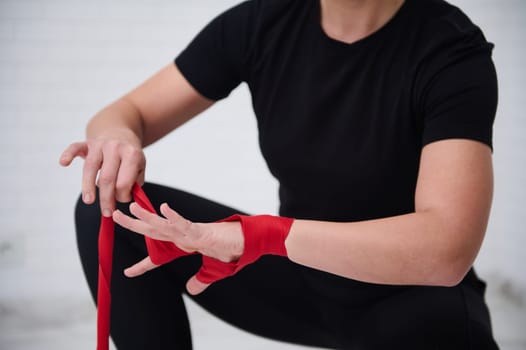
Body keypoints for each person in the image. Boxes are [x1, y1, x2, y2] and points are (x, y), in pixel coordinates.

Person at [59, 0, 500, 348]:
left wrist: (262, 236)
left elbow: (446, 250)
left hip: (409, 297)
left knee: (440, 328)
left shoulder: (449, 49)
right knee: (113, 214)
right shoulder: (263, 23)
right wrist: (118, 139)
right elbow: (125, 112)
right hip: (301, 283)